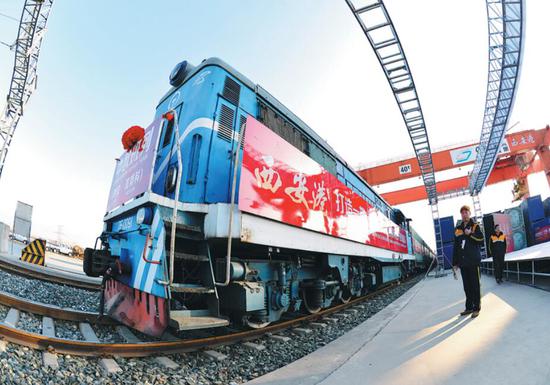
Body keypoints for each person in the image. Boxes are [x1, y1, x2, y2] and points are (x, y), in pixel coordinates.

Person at [452, 205, 484, 318]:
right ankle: (469, 307)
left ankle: (476, 308)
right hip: (463, 263)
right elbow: (456, 247)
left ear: (469, 213)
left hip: (473, 261)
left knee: (475, 286)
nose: (464, 214)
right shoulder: (457, 230)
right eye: (462, 213)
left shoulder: (475, 226)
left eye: (466, 212)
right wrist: (455, 263)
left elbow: (480, 240)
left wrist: (470, 234)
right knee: (467, 287)